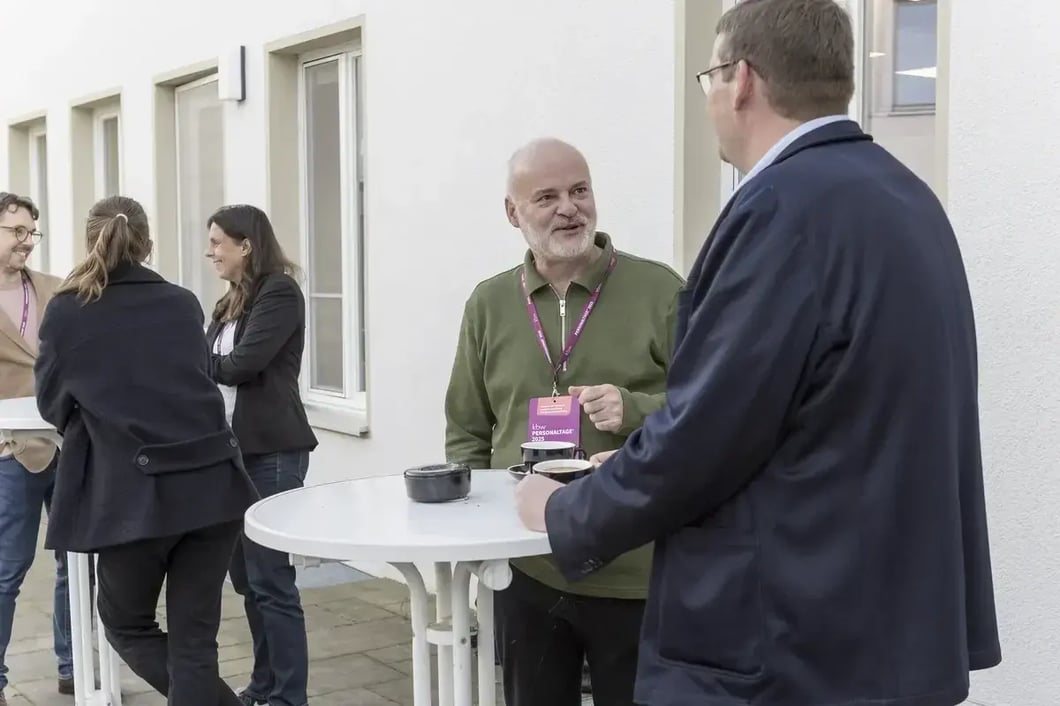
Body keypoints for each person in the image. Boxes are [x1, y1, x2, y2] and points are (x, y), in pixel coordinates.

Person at [515, 1, 1002, 705]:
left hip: (786, 646)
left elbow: (706, 436)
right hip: (888, 632)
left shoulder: (781, 209)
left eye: (709, 78)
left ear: (739, 80)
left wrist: (562, 512)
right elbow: (833, 413)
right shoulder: (909, 201)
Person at [445, 137, 683, 706]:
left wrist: (635, 410)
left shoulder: (662, 291)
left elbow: (709, 417)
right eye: (546, 197)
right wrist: (477, 545)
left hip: (634, 570)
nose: (568, 208)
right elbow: (468, 430)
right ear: (512, 212)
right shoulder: (489, 304)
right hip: (526, 570)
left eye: (579, 191)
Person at [34, 195, 259, 706]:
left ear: (90, 241)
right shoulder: (182, 301)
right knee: (194, 645)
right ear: (148, 244)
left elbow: (53, 404)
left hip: (134, 497)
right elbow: (198, 379)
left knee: (127, 623)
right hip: (213, 487)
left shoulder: (68, 311)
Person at [204, 204, 317, 706]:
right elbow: (215, 364)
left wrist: (204, 361)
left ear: (245, 245)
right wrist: (210, 363)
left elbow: (242, 365)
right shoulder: (229, 302)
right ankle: (264, 685)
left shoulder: (279, 292)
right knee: (248, 581)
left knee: (272, 580)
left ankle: (290, 696)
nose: (211, 252)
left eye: (217, 242)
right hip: (230, 455)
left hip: (272, 452)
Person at [0, 192, 73, 703]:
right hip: (9, 455)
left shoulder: (58, 290)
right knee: (8, 569)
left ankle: (74, 664)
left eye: (32, 232)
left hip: (67, 447)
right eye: (16, 232)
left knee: (79, 562)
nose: (27, 242)